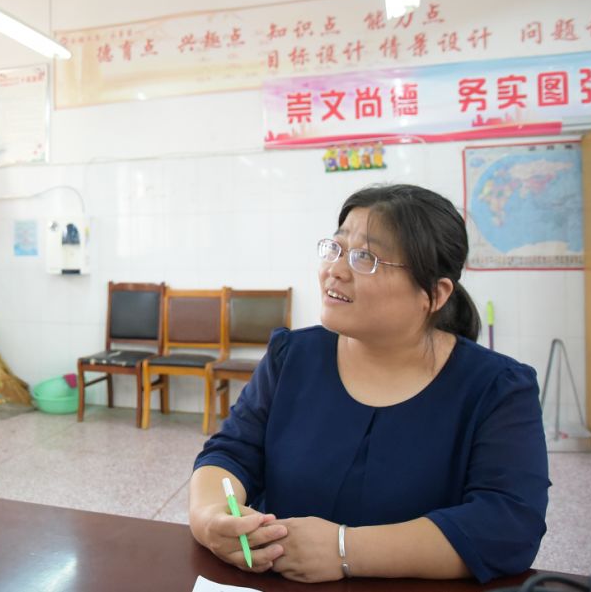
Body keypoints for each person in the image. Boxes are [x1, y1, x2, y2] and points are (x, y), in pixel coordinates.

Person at [188, 184, 549, 583]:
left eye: (365, 258)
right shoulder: (291, 356)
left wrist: (345, 550)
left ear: (434, 294)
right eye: (336, 248)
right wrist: (210, 519)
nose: (336, 270)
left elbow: (507, 526)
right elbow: (231, 453)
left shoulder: (498, 389)